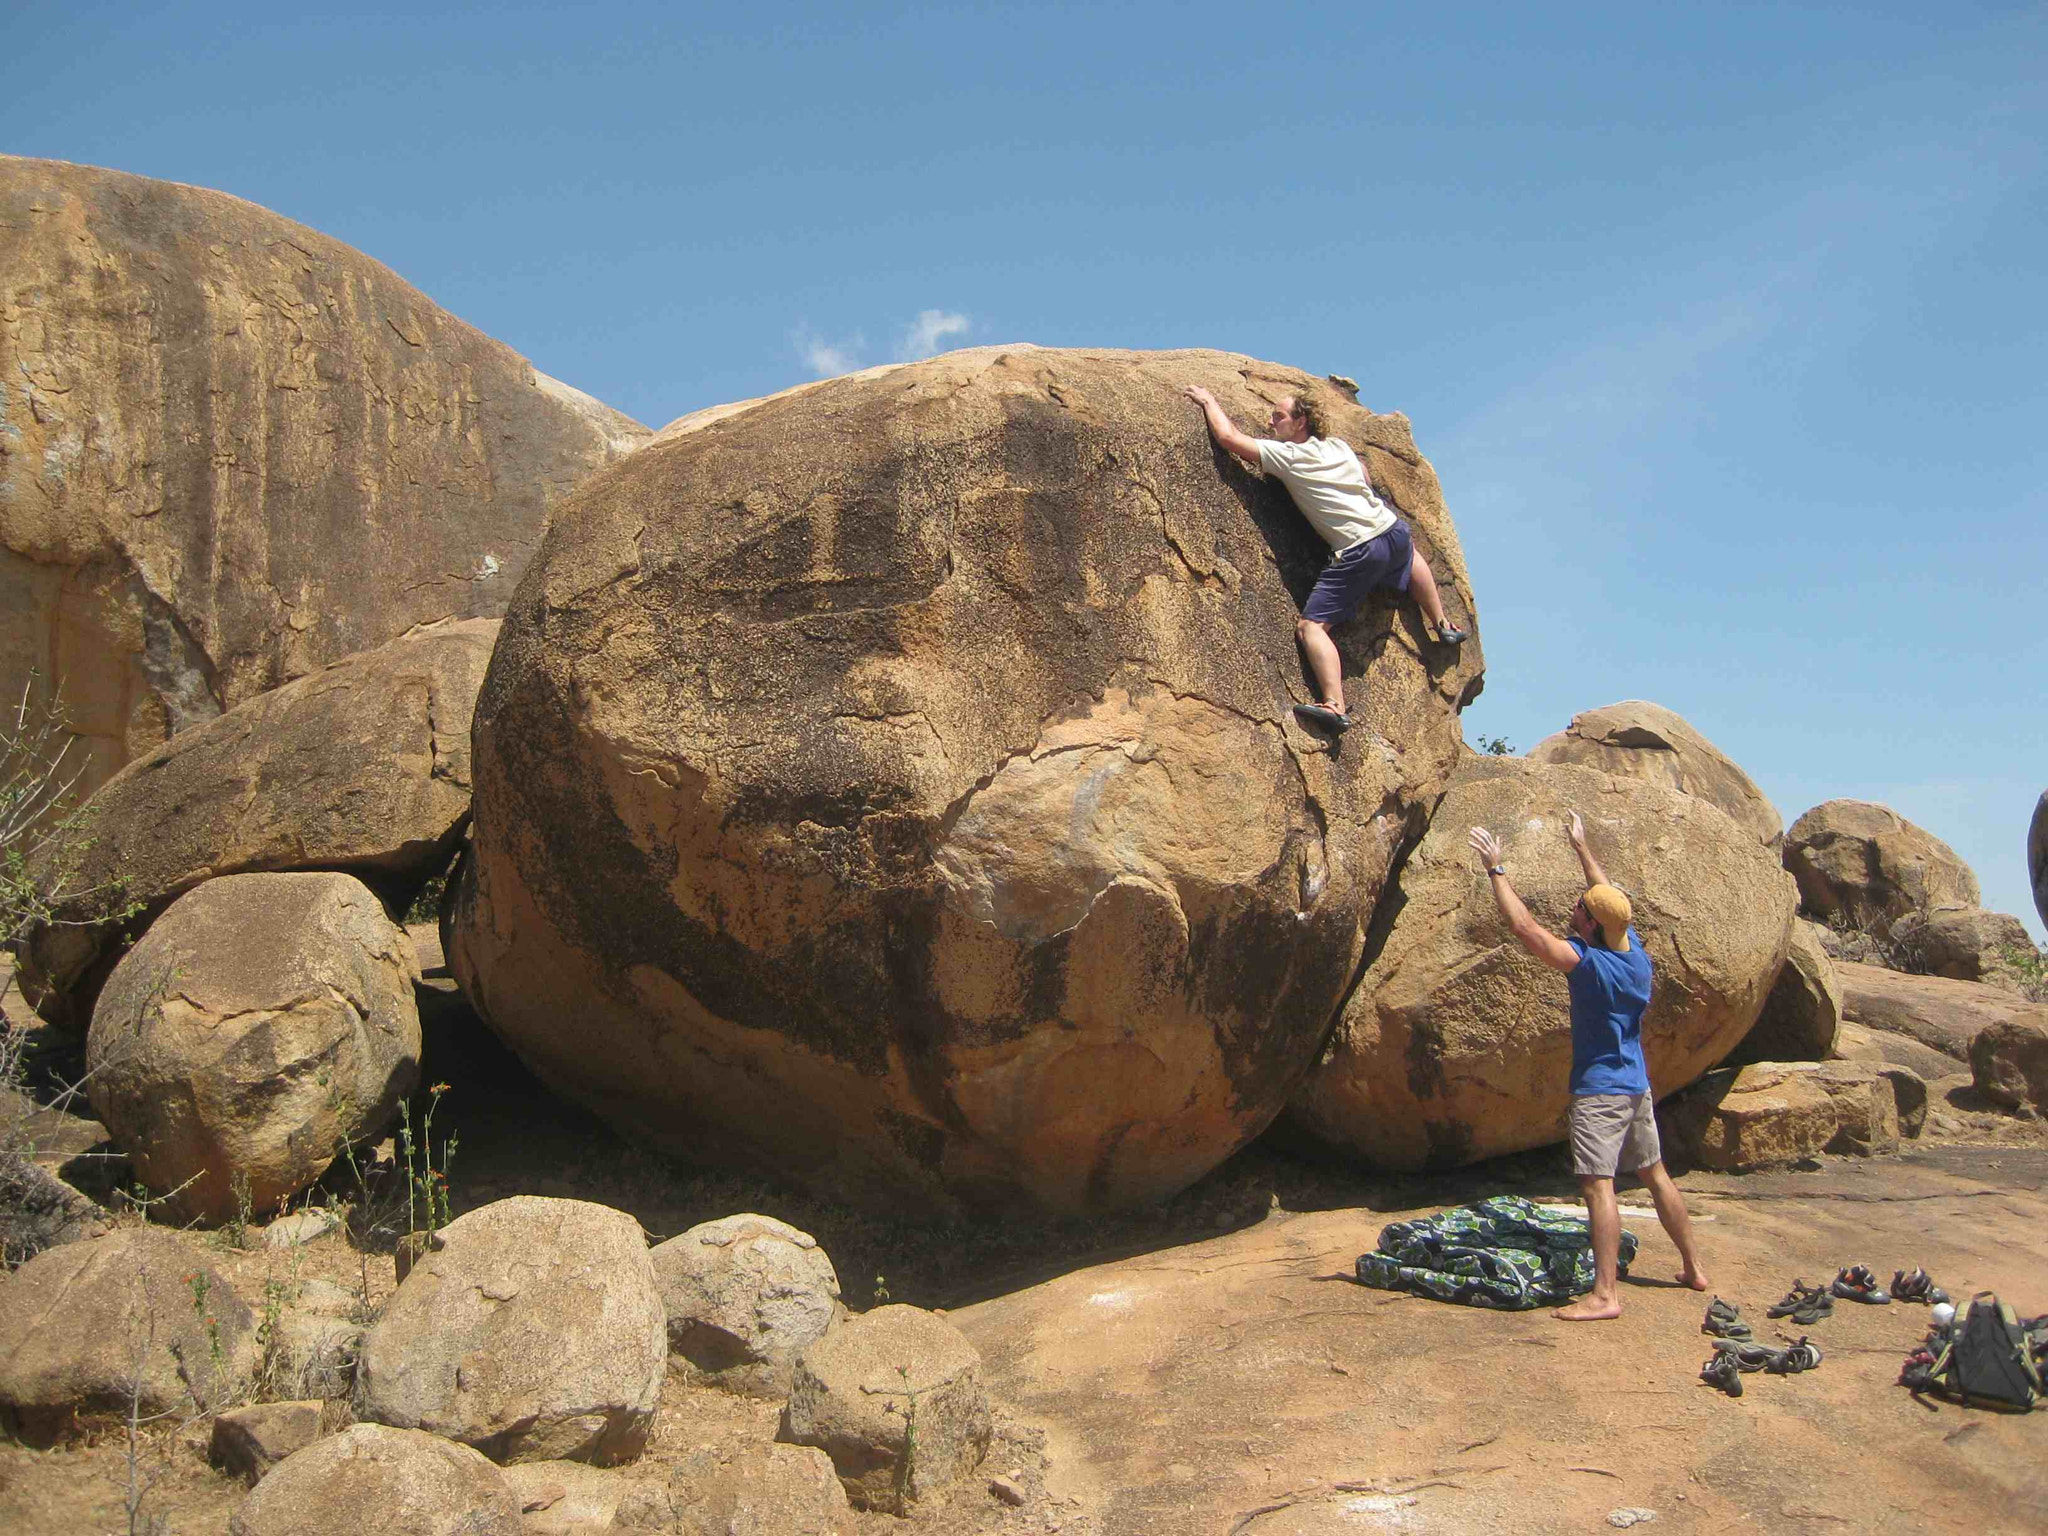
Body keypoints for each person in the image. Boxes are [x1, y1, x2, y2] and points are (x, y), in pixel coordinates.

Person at [1466, 812, 1709, 1322]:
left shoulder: (1589, 964)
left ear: (1592, 925)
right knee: (1656, 1173)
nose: (1575, 907)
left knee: (1599, 1187)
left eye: (1580, 909)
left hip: (1600, 1092)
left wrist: (1496, 870)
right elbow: (1606, 893)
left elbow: (1524, 928)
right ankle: (1692, 1266)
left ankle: (1605, 1295)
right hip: (1636, 1085)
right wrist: (1582, 847)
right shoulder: (1634, 953)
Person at [1181, 383, 1465, 733]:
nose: (1271, 423)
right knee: (1409, 555)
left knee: (1311, 628)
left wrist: (1209, 400)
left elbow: (1228, 438)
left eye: (1279, 417)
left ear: (1300, 422)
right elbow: (1364, 474)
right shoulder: (1337, 446)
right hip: (1392, 530)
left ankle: (1334, 705)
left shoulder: (1290, 457)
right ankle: (1442, 623)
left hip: (1360, 549)